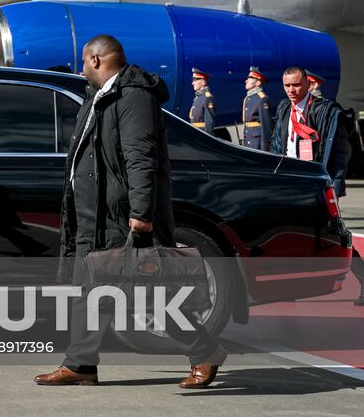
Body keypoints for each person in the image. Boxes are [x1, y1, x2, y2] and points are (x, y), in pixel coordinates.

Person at [35, 35, 226, 388]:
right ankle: (80, 364)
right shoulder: (99, 96)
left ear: (95, 60)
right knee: (88, 290)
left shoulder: (133, 96)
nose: (81, 69)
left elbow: (140, 157)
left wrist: (141, 213)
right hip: (94, 215)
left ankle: (205, 350)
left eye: (83, 62)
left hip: (121, 216)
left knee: (149, 293)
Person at [272, 66, 364, 304]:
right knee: (289, 234)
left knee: (332, 235)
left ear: (308, 84)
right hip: (291, 182)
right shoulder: (284, 109)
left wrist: (335, 185)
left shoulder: (326, 111)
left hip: (315, 183)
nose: (291, 90)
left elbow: (340, 152)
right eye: (287, 85)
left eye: (296, 85)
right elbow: (277, 144)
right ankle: (290, 285)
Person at [240, 67, 272, 150]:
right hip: (249, 137)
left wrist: (264, 147)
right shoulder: (248, 97)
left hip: (257, 140)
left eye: (250, 79)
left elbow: (266, 125)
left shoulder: (262, 98)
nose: (246, 81)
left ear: (258, 83)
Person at [188, 67, 215, 132]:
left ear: (203, 82)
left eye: (195, 80)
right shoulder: (197, 98)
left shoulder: (207, 97)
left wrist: (207, 136)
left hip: (201, 133)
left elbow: (209, 121)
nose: (192, 83)